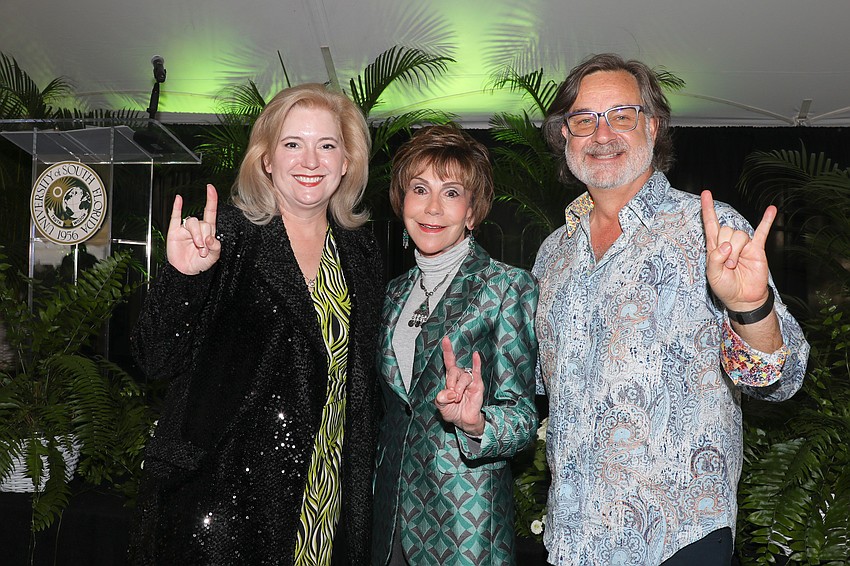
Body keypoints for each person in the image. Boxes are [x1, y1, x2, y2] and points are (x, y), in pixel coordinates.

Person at [533, 54, 810, 565]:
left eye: (621, 114)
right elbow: (542, 384)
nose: (602, 134)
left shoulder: (710, 231)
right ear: (563, 136)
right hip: (573, 539)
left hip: (680, 537)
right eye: (583, 119)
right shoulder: (552, 254)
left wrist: (751, 309)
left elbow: (782, 377)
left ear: (653, 126)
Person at [129, 83, 384, 565]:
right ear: (266, 160)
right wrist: (183, 279)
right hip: (222, 505)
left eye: (326, 145)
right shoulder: (225, 236)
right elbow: (156, 357)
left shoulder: (361, 253)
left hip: (324, 501)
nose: (310, 160)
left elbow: (362, 387)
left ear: (347, 161)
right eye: (292, 144)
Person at [371, 125, 539, 566]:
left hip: (465, 526)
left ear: (472, 211)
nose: (431, 207)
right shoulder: (391, 293)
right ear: (401, 200)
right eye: (419, 189)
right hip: (389, 520)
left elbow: (522, 418)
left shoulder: (506, 287)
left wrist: (476, 422)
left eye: (451, 193)